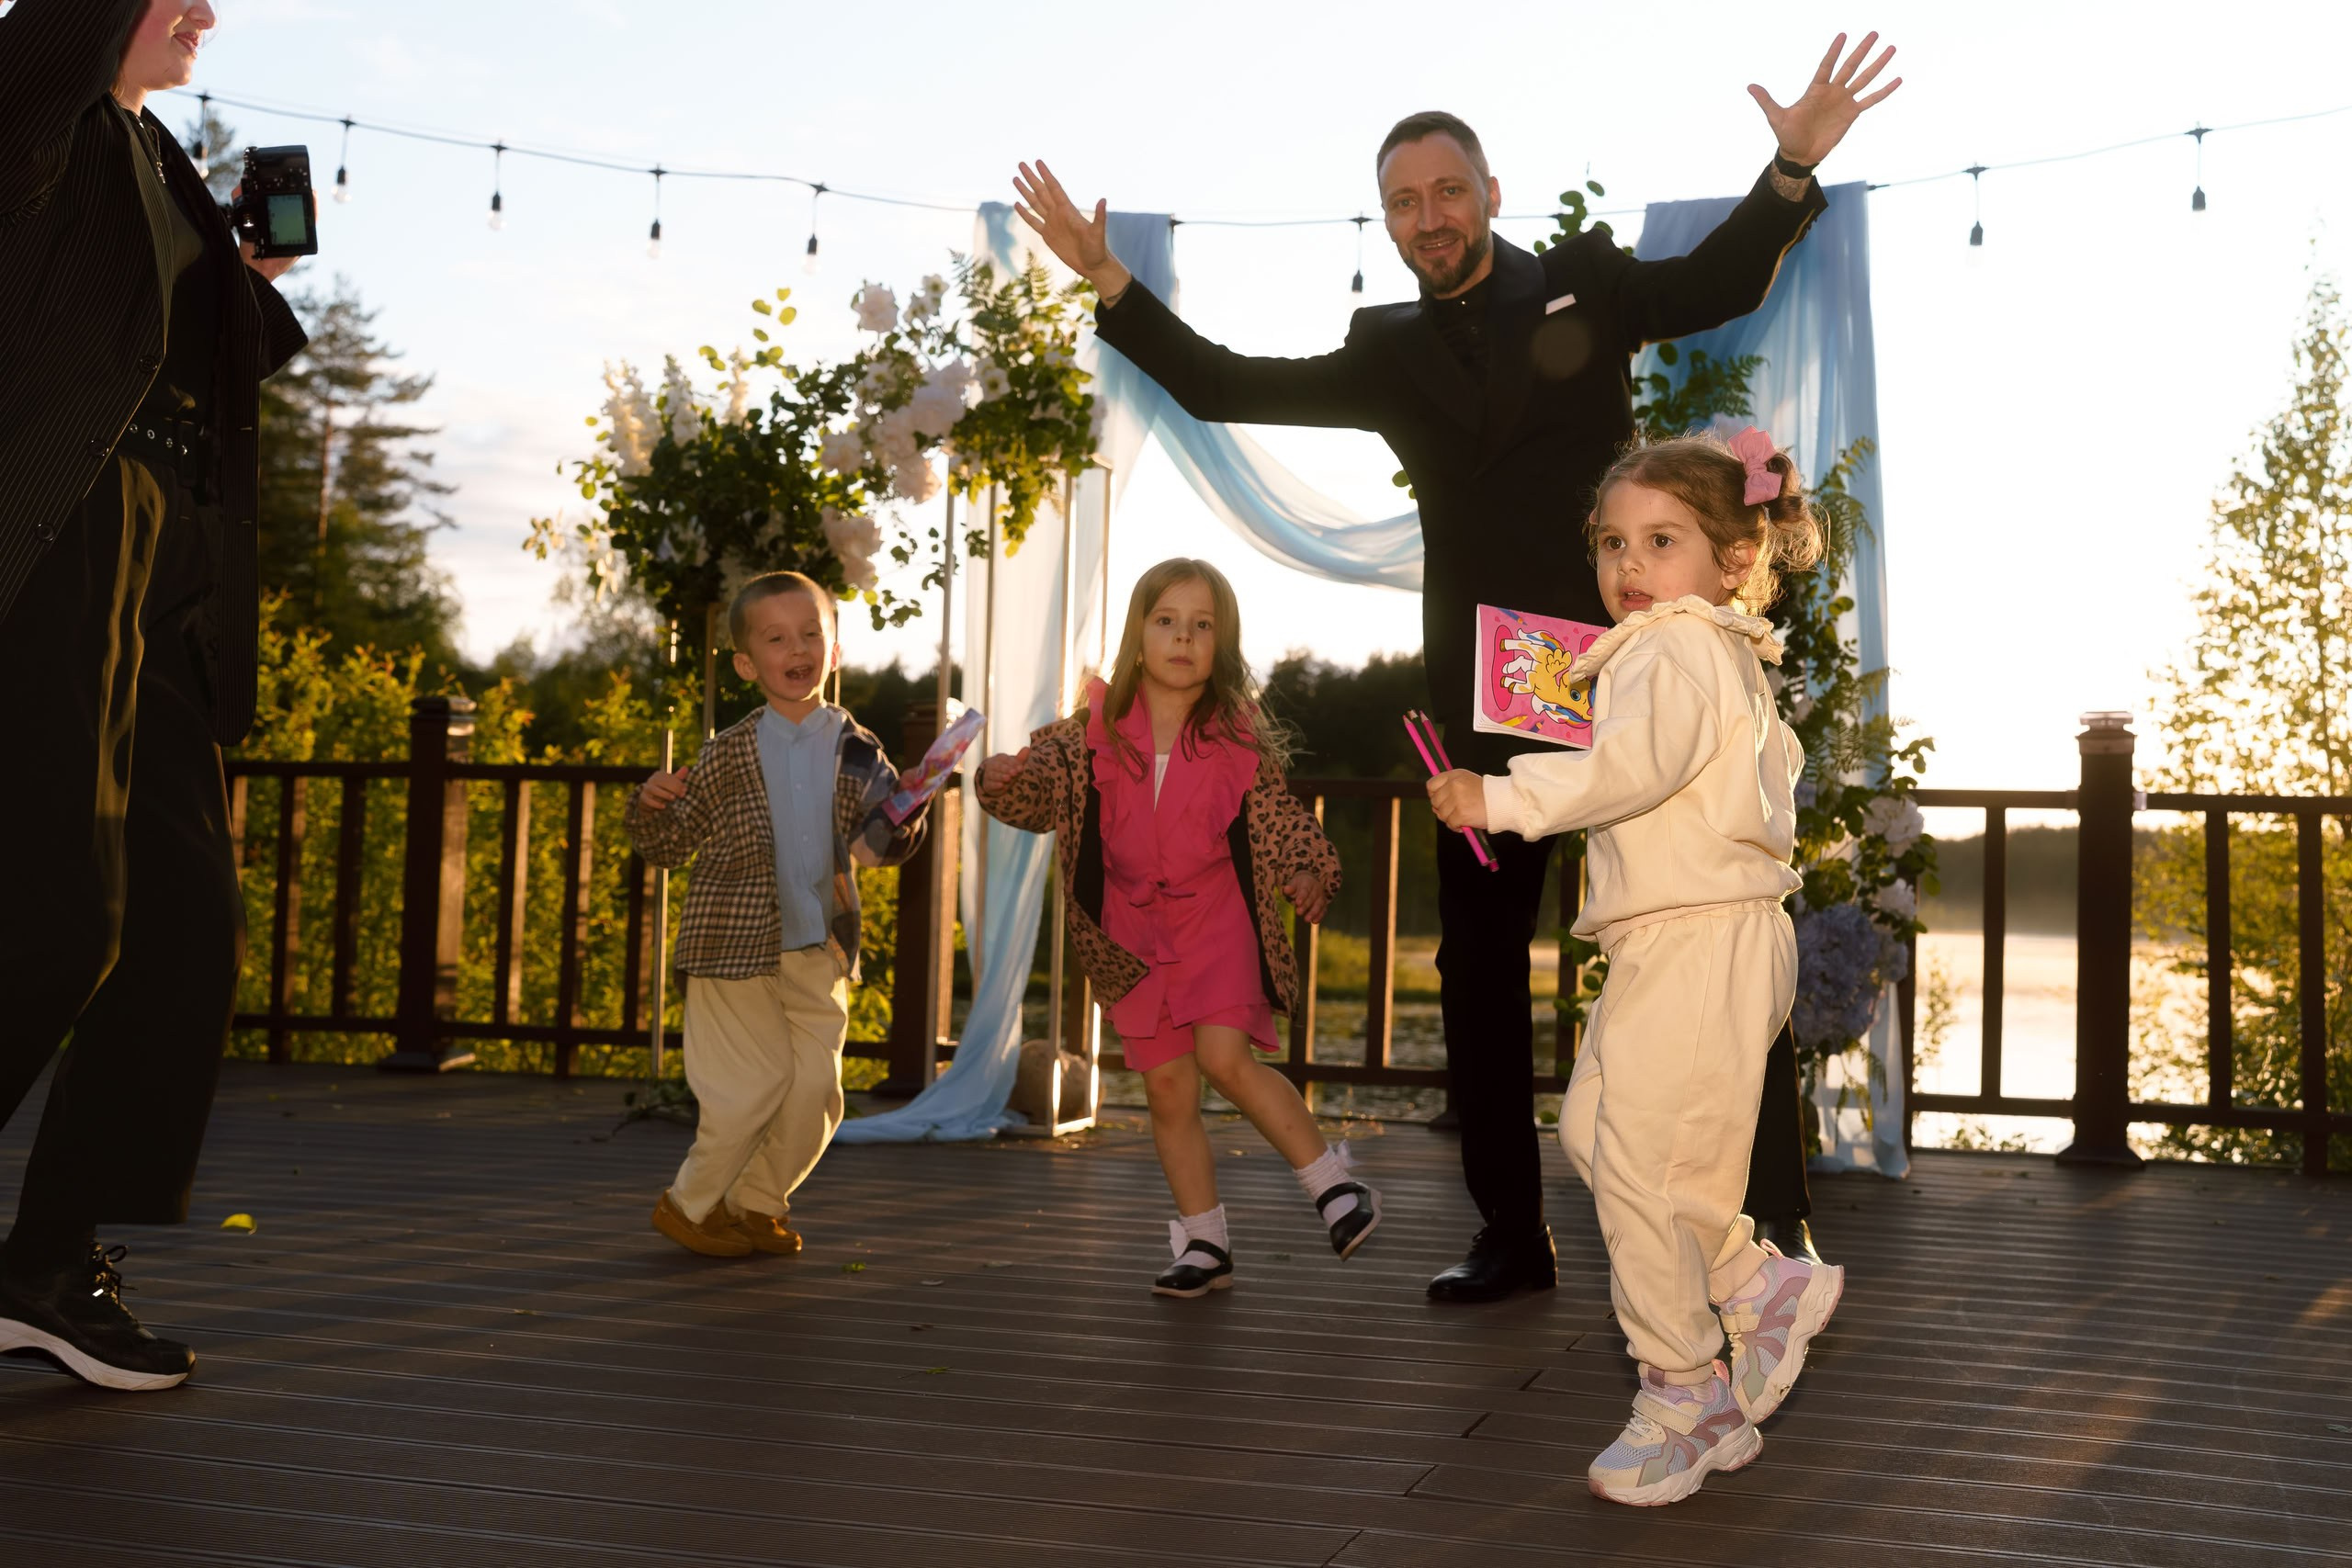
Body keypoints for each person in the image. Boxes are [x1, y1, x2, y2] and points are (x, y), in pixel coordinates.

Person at [1011, 33, 1900, 1299]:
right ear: (1389, 223)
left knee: (1704, 929)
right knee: (1480, 968)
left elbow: (1716, 282)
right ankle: (1512, 1234)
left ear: (1488, 192)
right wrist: (1108, 281)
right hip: (1482, 708)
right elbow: (1219, 384)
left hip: (1633, 678)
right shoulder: (1385, 348)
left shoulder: (1587, 288)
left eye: (1447, 190)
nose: (1428, 217)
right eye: (1402, 203)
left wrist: (1791, 170)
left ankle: (1773, 1216)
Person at [1427, 428, 1845, 1505]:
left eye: (1661, 540)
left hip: (1698, 940)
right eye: (1613, 542)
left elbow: (1635, 769)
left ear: (1733, 557)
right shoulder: (1706, 651)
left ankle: (1682, 1392)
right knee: (1598, 1136)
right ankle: (1753, 1284)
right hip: (1685, 942)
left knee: (1649, 1172)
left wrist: (1501, 798)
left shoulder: (1672, 648)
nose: (1628, 565)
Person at [0, 0, 307, 1392]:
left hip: (174, 560)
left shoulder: (165, 160)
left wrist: (240, 269)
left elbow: (217, 360)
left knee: (187, 921)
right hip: (68, 533)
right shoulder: (44, 119)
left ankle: (46, 1265)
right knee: (68, 910)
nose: (208, 9)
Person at [975, 559, 1367, 1297]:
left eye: (1202, 625)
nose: (1183, 637)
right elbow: (1031, 795)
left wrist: (1311, 870)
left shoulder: (1237, 740)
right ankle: (1204, 1240)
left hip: (1215, 921)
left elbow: (1281, 822)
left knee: (1224, 1058)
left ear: (1223, 644)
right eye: (1166, 621)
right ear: (1137, 634)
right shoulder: (1083, 735)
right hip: (1130, 938)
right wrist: (998, 779)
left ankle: (1332, 1183)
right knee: (1165, 1090)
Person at [627, 572, 928, 1259]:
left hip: (817, 947)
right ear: (745, 664)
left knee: (817, 1091)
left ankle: (755, 1203)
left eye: (812, 633)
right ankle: (690, 1203)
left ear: (835, 646)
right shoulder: (729, 750)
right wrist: (650, 805)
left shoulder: (858, 747)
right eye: (777, 638)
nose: (798, 648)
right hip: (733, 945)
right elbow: (672, 844)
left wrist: (910, 806)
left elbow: (886, 838)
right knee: (755, 1082)